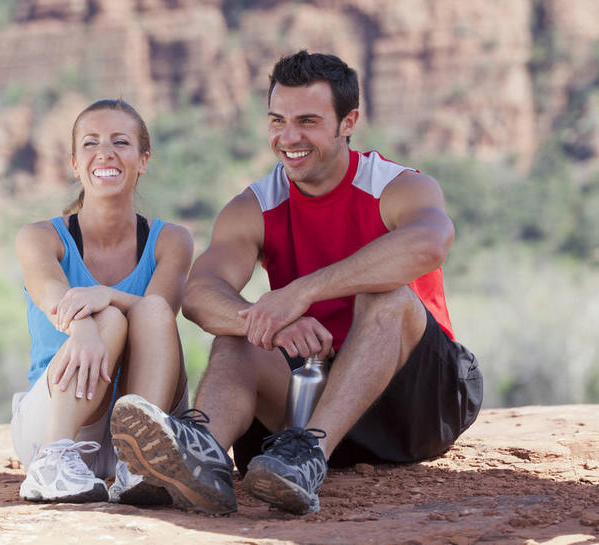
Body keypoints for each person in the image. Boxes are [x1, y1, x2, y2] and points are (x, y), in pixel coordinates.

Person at [109, 51, 483, 515]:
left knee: (387, 293)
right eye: (277, 120)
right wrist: (268, 322)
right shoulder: (254, 206)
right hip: (316, 396)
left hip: (419, 404)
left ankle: (309, 454)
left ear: (348, 122)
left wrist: (298, 293)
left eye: (307, 121)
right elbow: (200, 294)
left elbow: (428, 245)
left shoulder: (398, 186)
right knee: (241, 331)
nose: (289, 137)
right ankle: (197, 455)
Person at [11, 98, 193, 505]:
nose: (105, 153)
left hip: (144, 419)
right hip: (62, 423)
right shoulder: (40, 237)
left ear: (143, 160)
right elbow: (52, 297)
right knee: (108, 319)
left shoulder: (171, 240)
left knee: (138, 311)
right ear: (75, 163)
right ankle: (52, 463)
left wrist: (105, 293)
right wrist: (85, 325)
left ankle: (139, 466)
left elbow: (159, 312)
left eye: (121, 142)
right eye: (90, 143)